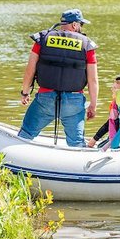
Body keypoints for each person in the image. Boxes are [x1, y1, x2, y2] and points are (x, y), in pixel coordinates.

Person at [18, 8, 99, 147]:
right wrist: (93, 105)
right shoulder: (87, 45)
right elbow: (93, 80)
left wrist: (25, 92)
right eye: (81, 24)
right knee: (77, 144)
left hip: (45, 99)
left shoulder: (42, 39)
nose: (81, 28)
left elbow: (29, 71)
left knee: (25, 135)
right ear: (74, 25)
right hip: (74, 101)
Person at [87, 68, 120, 148]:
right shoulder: (119, 101)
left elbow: (108, 125)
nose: (112, 90)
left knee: (100, 146)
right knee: (101, 145)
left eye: (115, 89)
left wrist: (94, 140)